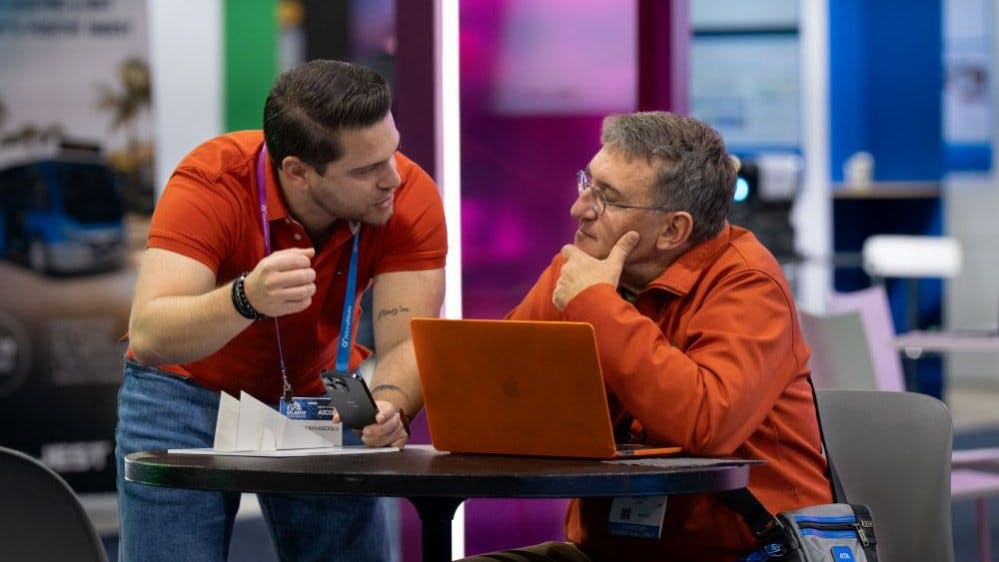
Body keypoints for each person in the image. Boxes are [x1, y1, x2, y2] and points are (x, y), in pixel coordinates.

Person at [115, 59, 446, 562]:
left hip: (320, 392)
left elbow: (407, 341)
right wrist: (244, 298)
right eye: (366, 169)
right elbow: (151, 333)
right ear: (298, 171)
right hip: (184, 393)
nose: (393, 178)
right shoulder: (212, 181)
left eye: (392, 153)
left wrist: (389, 406)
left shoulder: (408, 197)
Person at [475, 112, 831, 561]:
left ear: (673, 230)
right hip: (607, 550)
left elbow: (706, 422)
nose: (580, 208)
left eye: (607, 198)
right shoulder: (582, 271)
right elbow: (493, 388)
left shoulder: (748, 283)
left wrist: (596, 304)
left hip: (747, 551)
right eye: (588, 182)